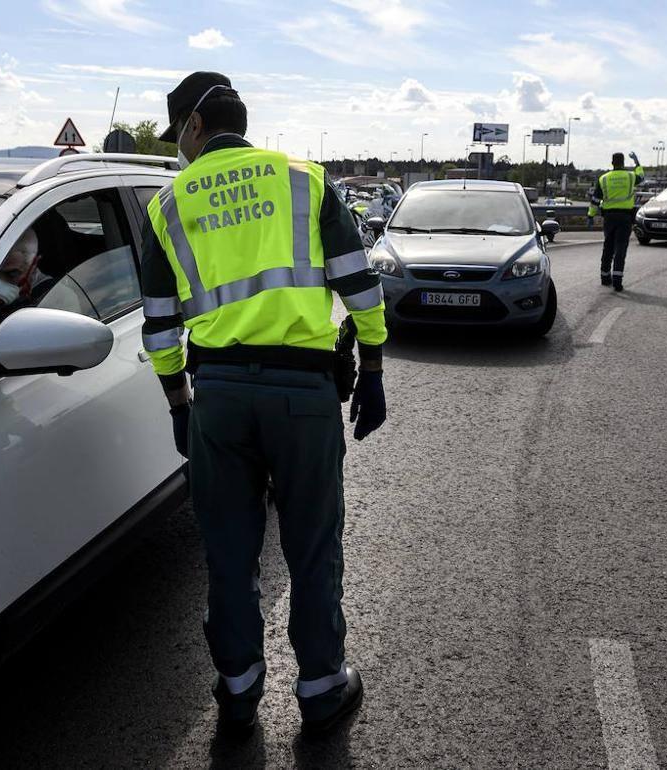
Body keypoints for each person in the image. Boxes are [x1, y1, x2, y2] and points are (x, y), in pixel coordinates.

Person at [138, 71, 387, 736]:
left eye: (178, 135)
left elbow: (160, 326)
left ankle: (240, 691)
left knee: (228, 550)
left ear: (194, 125)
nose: (180, 150)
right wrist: (376, 367)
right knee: (311, 546)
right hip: (303, 394)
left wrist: (178, 405)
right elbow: (359, 284)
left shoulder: (168, 205)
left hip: (217, 396)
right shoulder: (304, 179)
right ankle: (321, 688)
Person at [587, 151, 645, 292]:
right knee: (621, 248)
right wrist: (637, 163)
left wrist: (591, 215)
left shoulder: (604, 179)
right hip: (625, 217)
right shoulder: (630, 177)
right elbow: (642, 177)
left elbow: (595, 200)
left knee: (608, 246)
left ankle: (605, 277)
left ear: (612, 162)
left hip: (609, 217)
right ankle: (617, 281)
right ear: (624, 162)